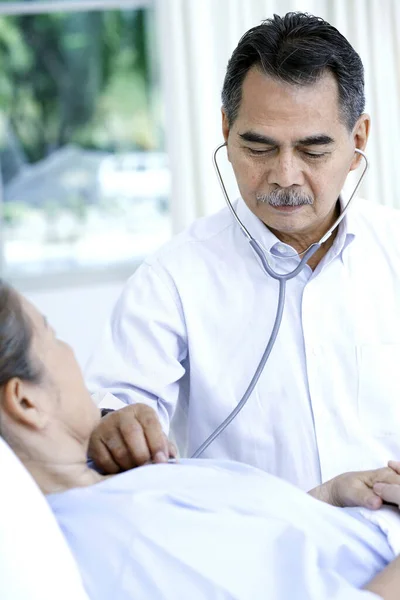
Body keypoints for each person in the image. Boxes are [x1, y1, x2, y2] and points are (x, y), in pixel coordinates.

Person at [86, 12, 400, 490]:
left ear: (358, 139)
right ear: (226, 131)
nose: (285, 176)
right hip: (255, 557)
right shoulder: (173, 278)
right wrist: (118, 427)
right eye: (259, 147)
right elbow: (119, 407)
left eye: (313, 150)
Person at [2, 282, 400, 600]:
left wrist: (328, 500)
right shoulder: (120, 539)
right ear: (25, 401)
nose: (70, 349)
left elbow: (250, 551)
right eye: (52, 336)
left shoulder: (108, 485)